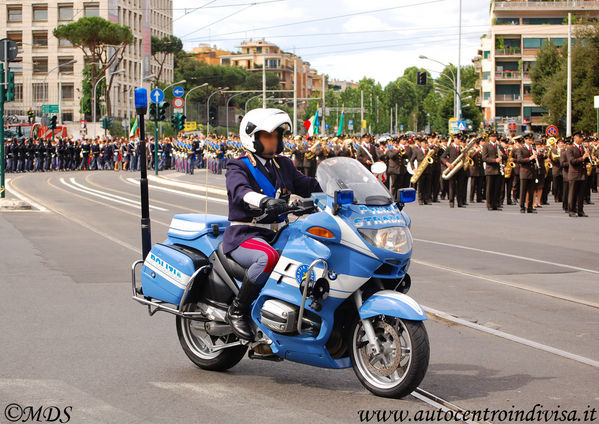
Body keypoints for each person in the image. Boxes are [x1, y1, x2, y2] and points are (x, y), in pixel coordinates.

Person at [222, 108, 321, 340]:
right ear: (253, 138)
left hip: (278, 232)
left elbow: (307, 184)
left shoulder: (283, 165)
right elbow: (240, 192)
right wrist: (265, 201)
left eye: (276, 136)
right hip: (245, 235)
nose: (274, 141)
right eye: (268, 136)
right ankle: (237, 310)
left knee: (315, 248)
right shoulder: (238, 165)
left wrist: (342, 189)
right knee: (267, 258)